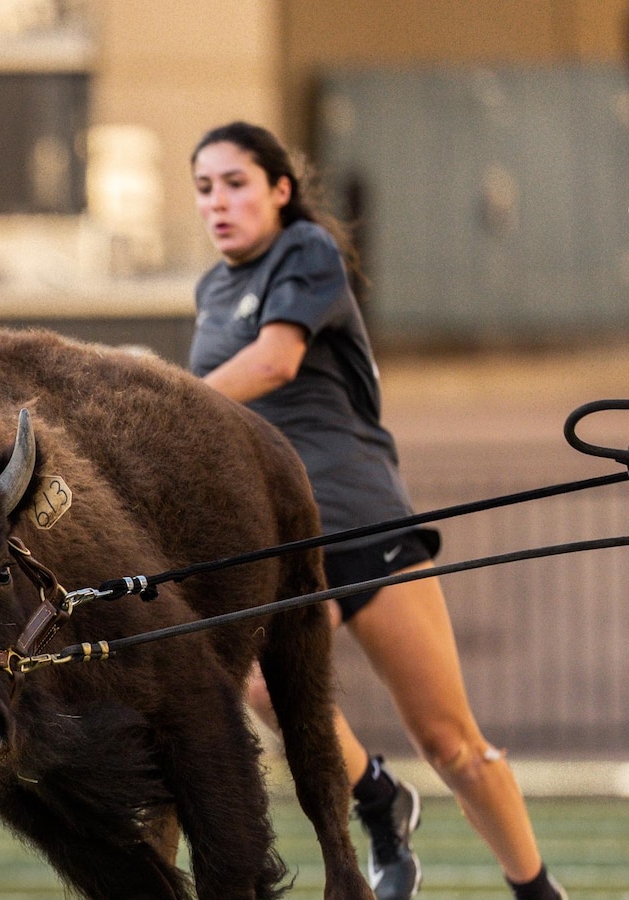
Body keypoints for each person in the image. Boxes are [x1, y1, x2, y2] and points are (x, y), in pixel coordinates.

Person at [186, 121, 566, 900]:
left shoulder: (306, 251)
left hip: (362, 522)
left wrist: (165, 396)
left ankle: (537, 891)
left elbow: (276, 361)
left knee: (452, 745)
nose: (217, 202)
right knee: (263, 688)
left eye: (234, 183)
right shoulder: (210, 292)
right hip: (285, 540)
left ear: (279, 190)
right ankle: (378, 799)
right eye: (203, 188)